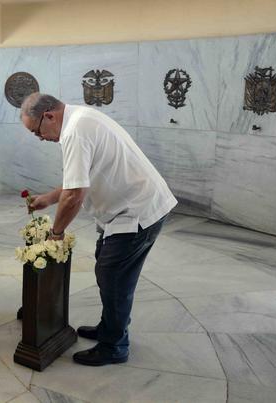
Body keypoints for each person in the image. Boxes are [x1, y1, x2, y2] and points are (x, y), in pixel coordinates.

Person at [20, 93, 177, 366]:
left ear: (48, 116)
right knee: (108, 270)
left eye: (36, 132)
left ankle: (114, 345)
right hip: (131, 208)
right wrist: (49, 197)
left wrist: (55, 234)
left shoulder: (75, 132)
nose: (40, 138)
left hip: (136, 211)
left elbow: (75, 194)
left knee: (114, 277)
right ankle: (109, 328)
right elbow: (80, 179)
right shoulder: (79, 120)